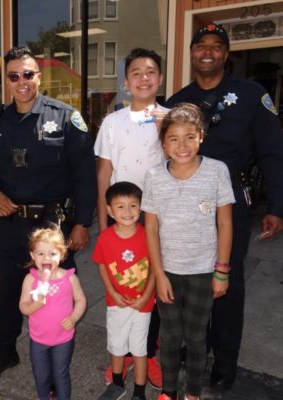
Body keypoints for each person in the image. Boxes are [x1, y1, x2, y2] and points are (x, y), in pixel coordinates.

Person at [165, 24, 283, 391]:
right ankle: (192, 345)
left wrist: (277, 205)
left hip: (230, 203)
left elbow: (272, 153)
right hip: (183, 206)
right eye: (201, 45)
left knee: (226, 283)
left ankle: (225, 360)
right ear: (191, 52)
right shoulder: (176, 101)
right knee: (185, 280)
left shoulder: (251, 95)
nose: (208, 51)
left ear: (225, 55)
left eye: (217, 46)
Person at [0, 46, 97, 384]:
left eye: (28, 74)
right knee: (3, 293)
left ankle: (58, 353)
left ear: (39, 76)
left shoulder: (65, 118)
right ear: (8, 81)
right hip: (5, 221)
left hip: (49, 226)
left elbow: (84, 175)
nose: (21, 81)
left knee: (56, 292)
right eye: (14, 76)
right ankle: (4, 351)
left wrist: (83, 223)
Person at [141, 103, 235, 400]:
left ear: (201, 137)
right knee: (169, 337)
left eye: (190, 137)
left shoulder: (217, 171)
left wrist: (221, 271)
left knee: (195, 338)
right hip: (168, 272)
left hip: (203, 272)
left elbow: (225, 222)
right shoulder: (154, 176)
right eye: (173, 139)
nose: (182, 146)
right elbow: (151, 229)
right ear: (164, 142)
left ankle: (192, 394)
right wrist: (158, 274)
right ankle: (169, 392)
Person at [94, 48, 167, 389]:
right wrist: (103, 223)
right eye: (136, 72)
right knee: (123, 283)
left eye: (150, 71)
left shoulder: (170, 118)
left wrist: (165, 129)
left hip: (156, 217)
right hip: (121, 219)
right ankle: (119, 358)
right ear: (126, 82)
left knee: (153, 286)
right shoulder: (113, 122)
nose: (143, 78)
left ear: (160, 79)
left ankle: (148, 354)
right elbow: (104, 172)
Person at [93, 182, 155, 400]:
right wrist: (112, 292)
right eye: (120, 206)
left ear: (141, 207)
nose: (127, 212)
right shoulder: (105, 237)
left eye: (133, 206)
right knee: (117, 345)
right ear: (109, 210)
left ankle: (139, 392)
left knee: (139, 348)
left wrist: (147, 296)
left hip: (143, 305)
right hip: (116, 303)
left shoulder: (148, 235)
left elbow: (156, 267)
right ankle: (117, 384)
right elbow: (101, 264)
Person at [19, 226, 86, 400]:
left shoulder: (69, 278)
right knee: (41, 376)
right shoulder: (30, 279)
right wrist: (37, 304)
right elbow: (23, 306)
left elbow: (80, 300)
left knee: (61, 373)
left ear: (62, 255)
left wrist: (73, 318)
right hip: (39, 338)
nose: (46, 258)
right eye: (40, 254)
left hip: (63, 337)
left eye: (52, 254)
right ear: (33, 256)